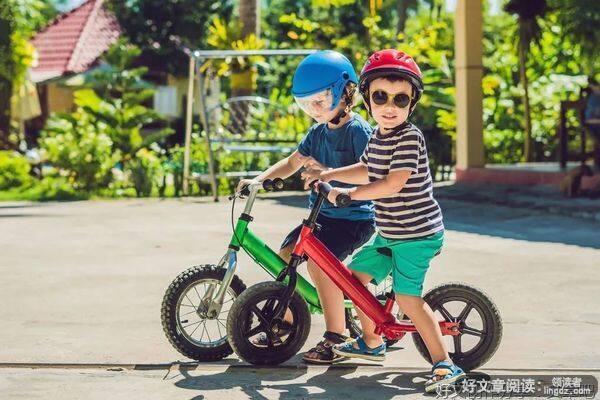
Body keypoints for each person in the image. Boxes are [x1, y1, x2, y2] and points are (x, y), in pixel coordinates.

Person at [304, 49, 465, 391]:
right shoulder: (378, 135)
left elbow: (392, 183)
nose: (390, 106)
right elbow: (367, 169)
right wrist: (330, 174)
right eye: (380, 97)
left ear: (412, 104)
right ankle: (371, 342)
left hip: (417, 235)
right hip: (390, 232)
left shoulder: (409, 138)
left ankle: (444, 364)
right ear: (367, 99)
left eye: (400, 99)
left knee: (407, 298)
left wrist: (348, 195)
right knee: (353, 281)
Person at [237, 50, 375, 363]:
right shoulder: (317, 133)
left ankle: (336, 337)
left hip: (353, 218)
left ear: (345, 92)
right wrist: (258, 181)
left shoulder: (358, 131)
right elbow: (292, 162)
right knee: (286, 256)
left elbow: (370, 172)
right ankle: (285, 322)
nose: (314, 110)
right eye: (307, 104)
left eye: (320, 101)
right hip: (321, 217)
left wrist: (329, 174)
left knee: (319, 265)